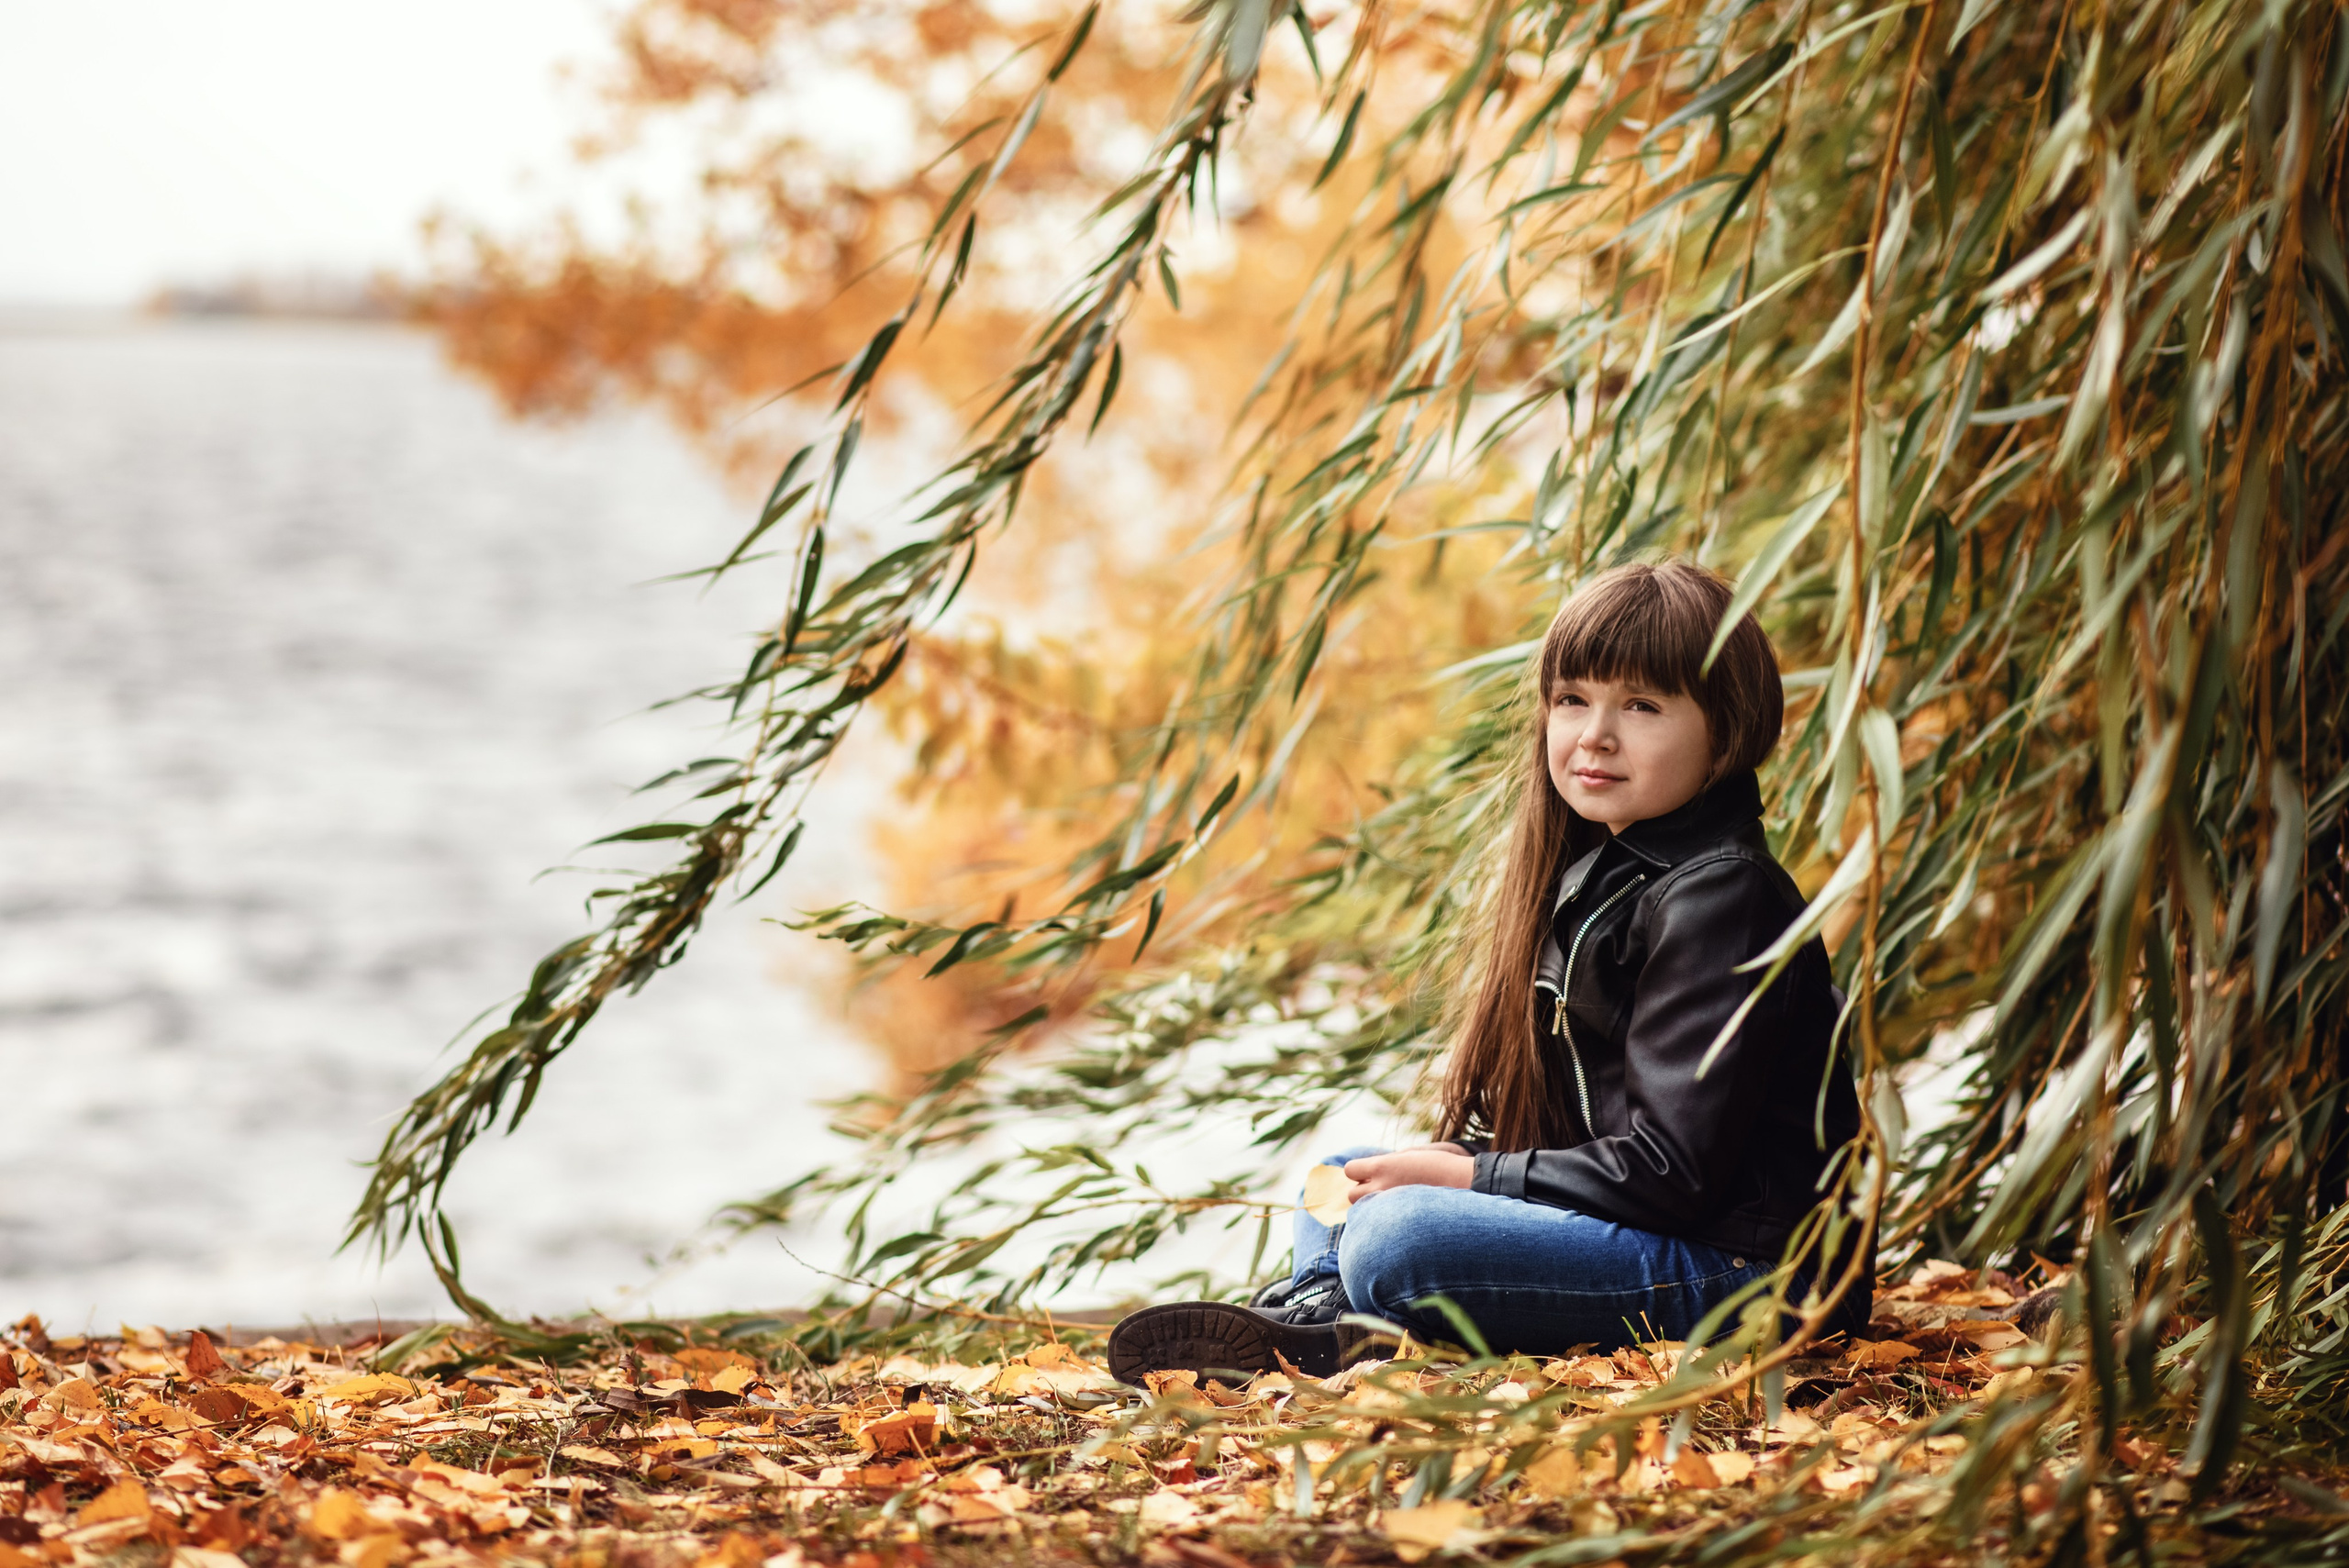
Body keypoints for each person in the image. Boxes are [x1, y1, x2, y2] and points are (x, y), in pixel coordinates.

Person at [1107, 560, 1869, 1383]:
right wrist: (1460, 1168)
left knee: (1399, 1236)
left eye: (1641, 706)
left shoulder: (1720, 895)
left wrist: (1473, 1174)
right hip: (1671, 1232)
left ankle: (1351, 1308)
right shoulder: (1610, 872)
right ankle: (1323, 1318)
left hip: (1758, 1278)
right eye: (1573, 699)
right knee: (1347, 1176)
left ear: (1726, 729)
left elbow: (1671, 1172)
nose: (1594, 734)